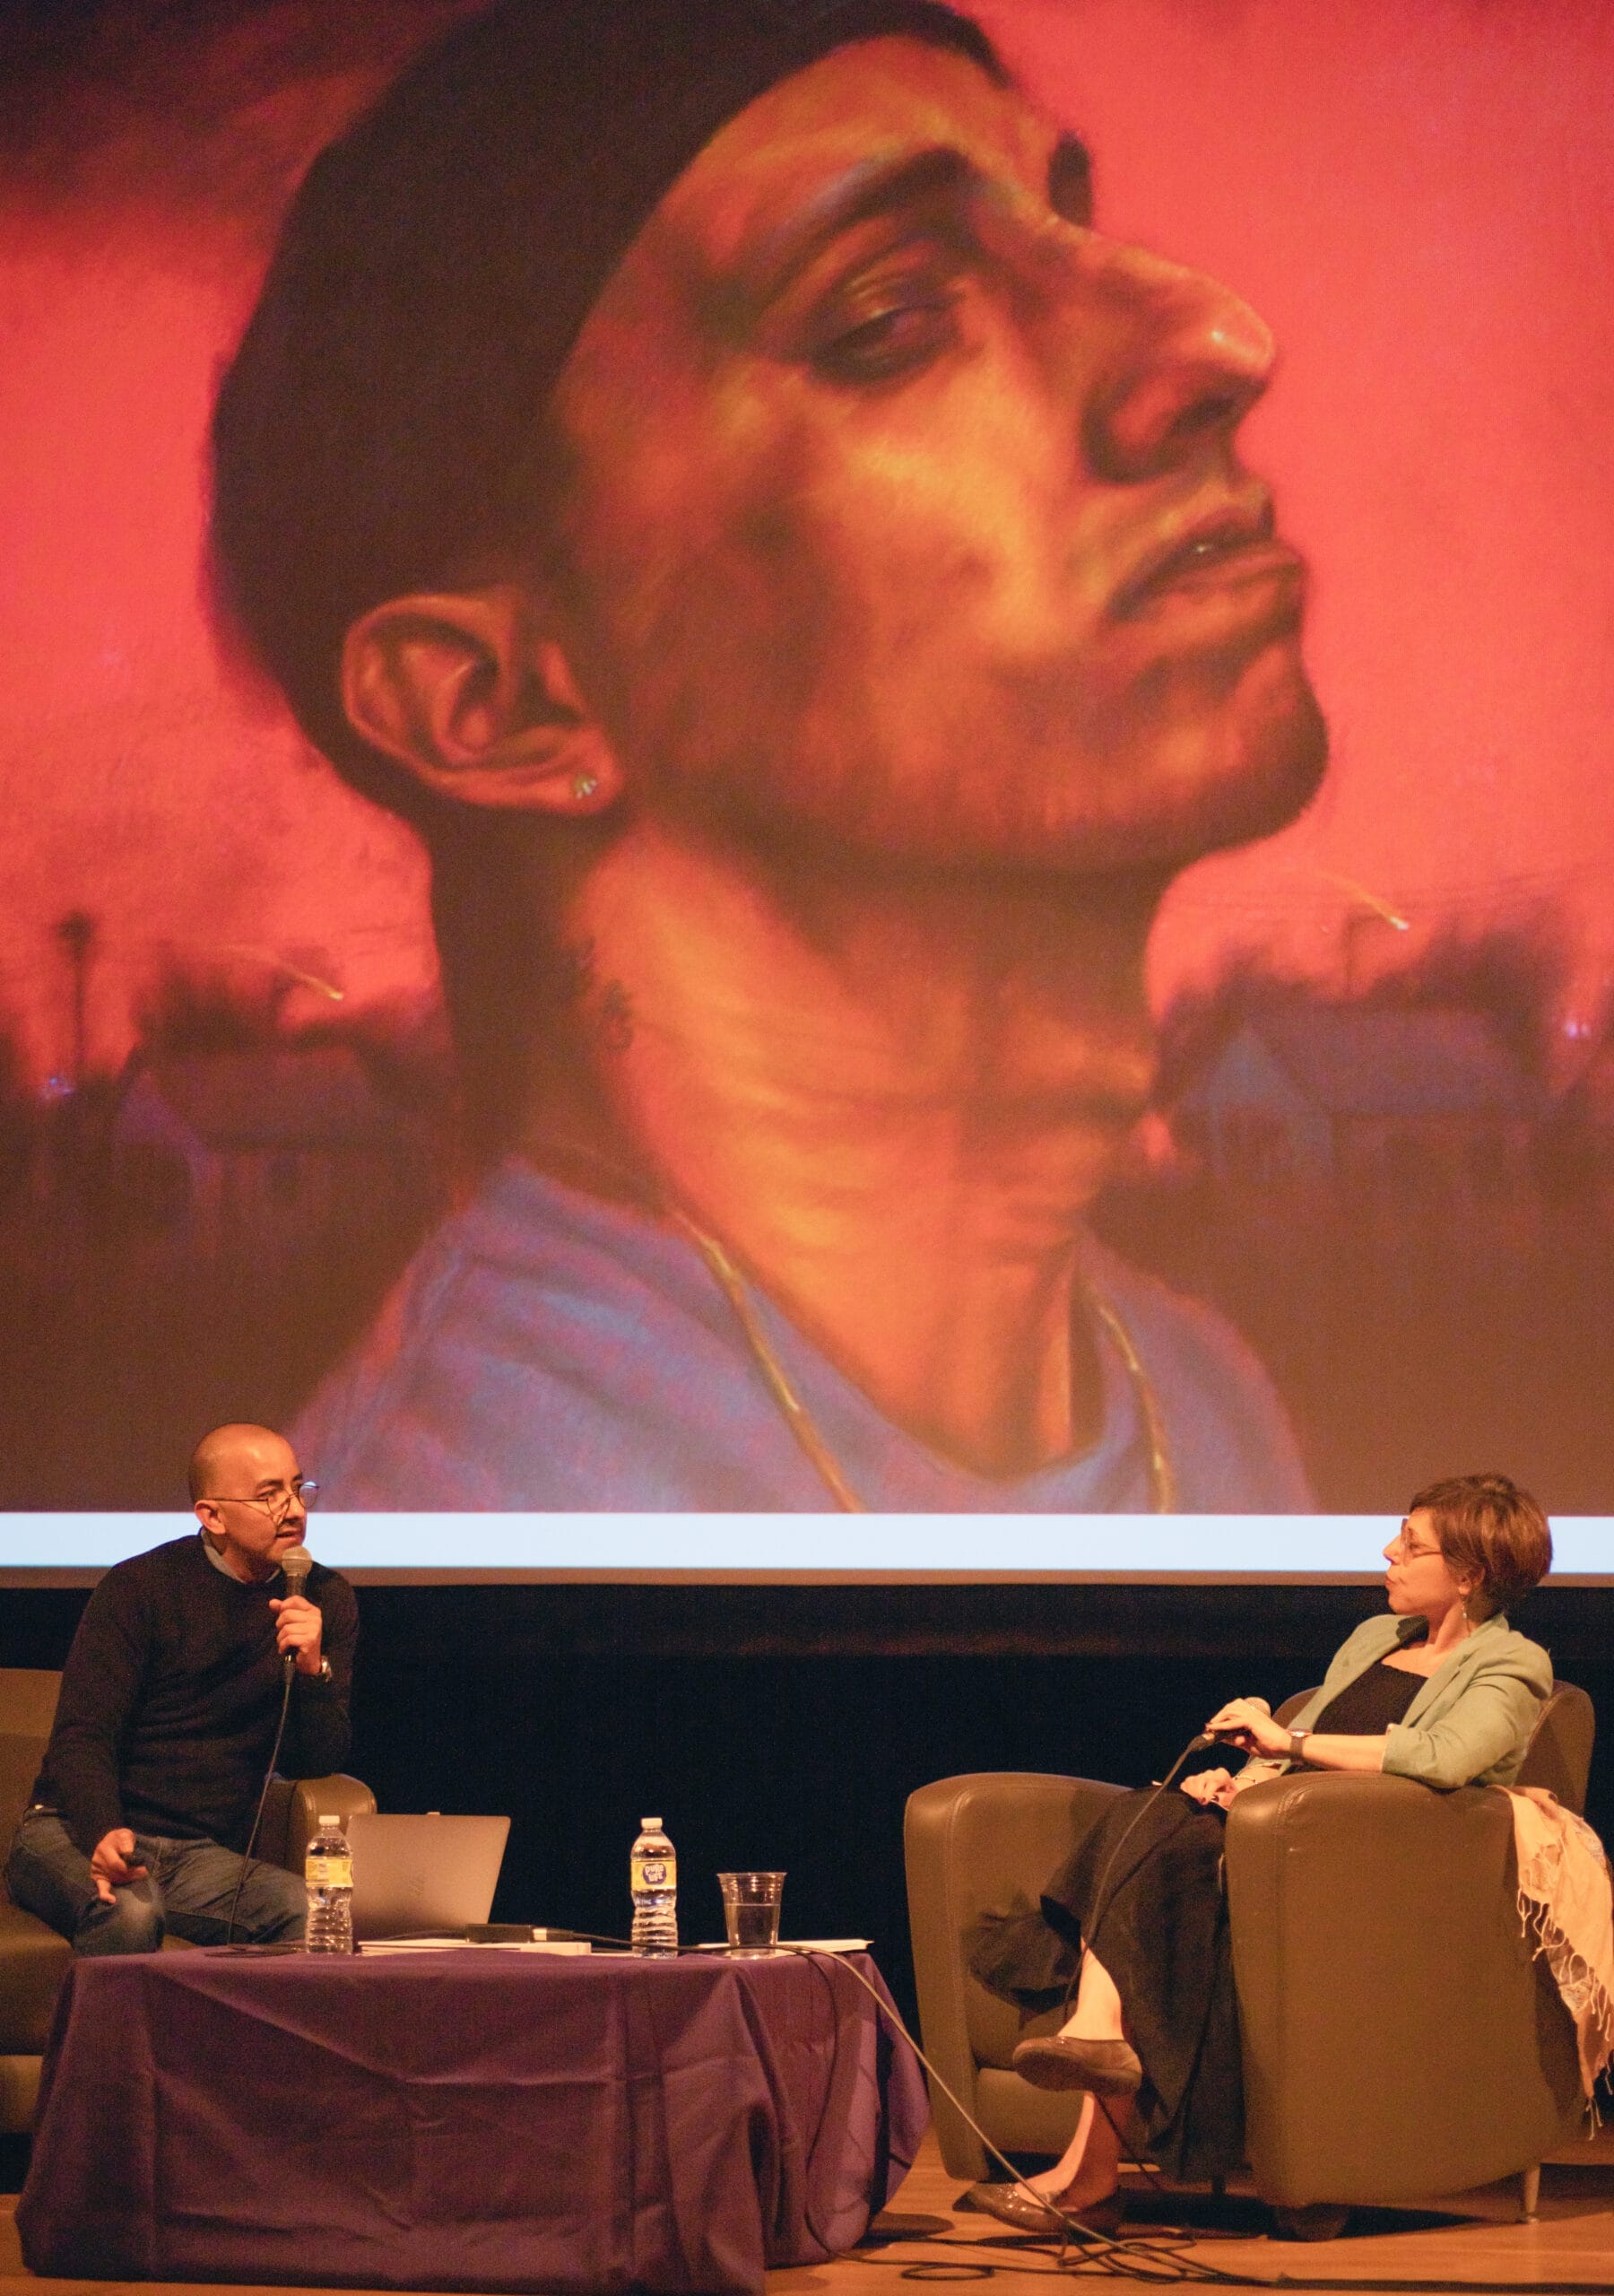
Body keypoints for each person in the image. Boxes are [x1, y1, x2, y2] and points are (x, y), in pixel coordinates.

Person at [210, 0, 1330, 1512]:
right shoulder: (458, 1521)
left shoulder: (1201, 1401)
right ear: (498, 701)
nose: (1212, 341)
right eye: (887, 322)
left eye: (1073, 230)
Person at [965, 1471, 1555, 2232]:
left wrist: (1290, 1742)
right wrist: (1244, 1781)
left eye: (1411, 1546)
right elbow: (1299, 1760)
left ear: (1470, 1574)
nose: (1388, 1552)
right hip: (1281, 1848)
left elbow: (1445, 1759)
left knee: (1155, 1863)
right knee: (1154, 1813)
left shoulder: (1513, 1665)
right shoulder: (1377, 1638)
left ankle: (1090, 2142)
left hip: (1370, 1879)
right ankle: (1094, 2079)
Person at [4, 1424, 357, 1952]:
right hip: (74, 1831)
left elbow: (315, 1759)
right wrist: (103, 1830)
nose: (294, 1510)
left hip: (197, 1855)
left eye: (297, 1488)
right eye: (269, 1495)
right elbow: (82, 1737)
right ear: (212, 1516)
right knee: (130, 1913)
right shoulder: (140, 1588)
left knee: (310, 1912)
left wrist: (313, 1672)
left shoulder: (323, 1597)